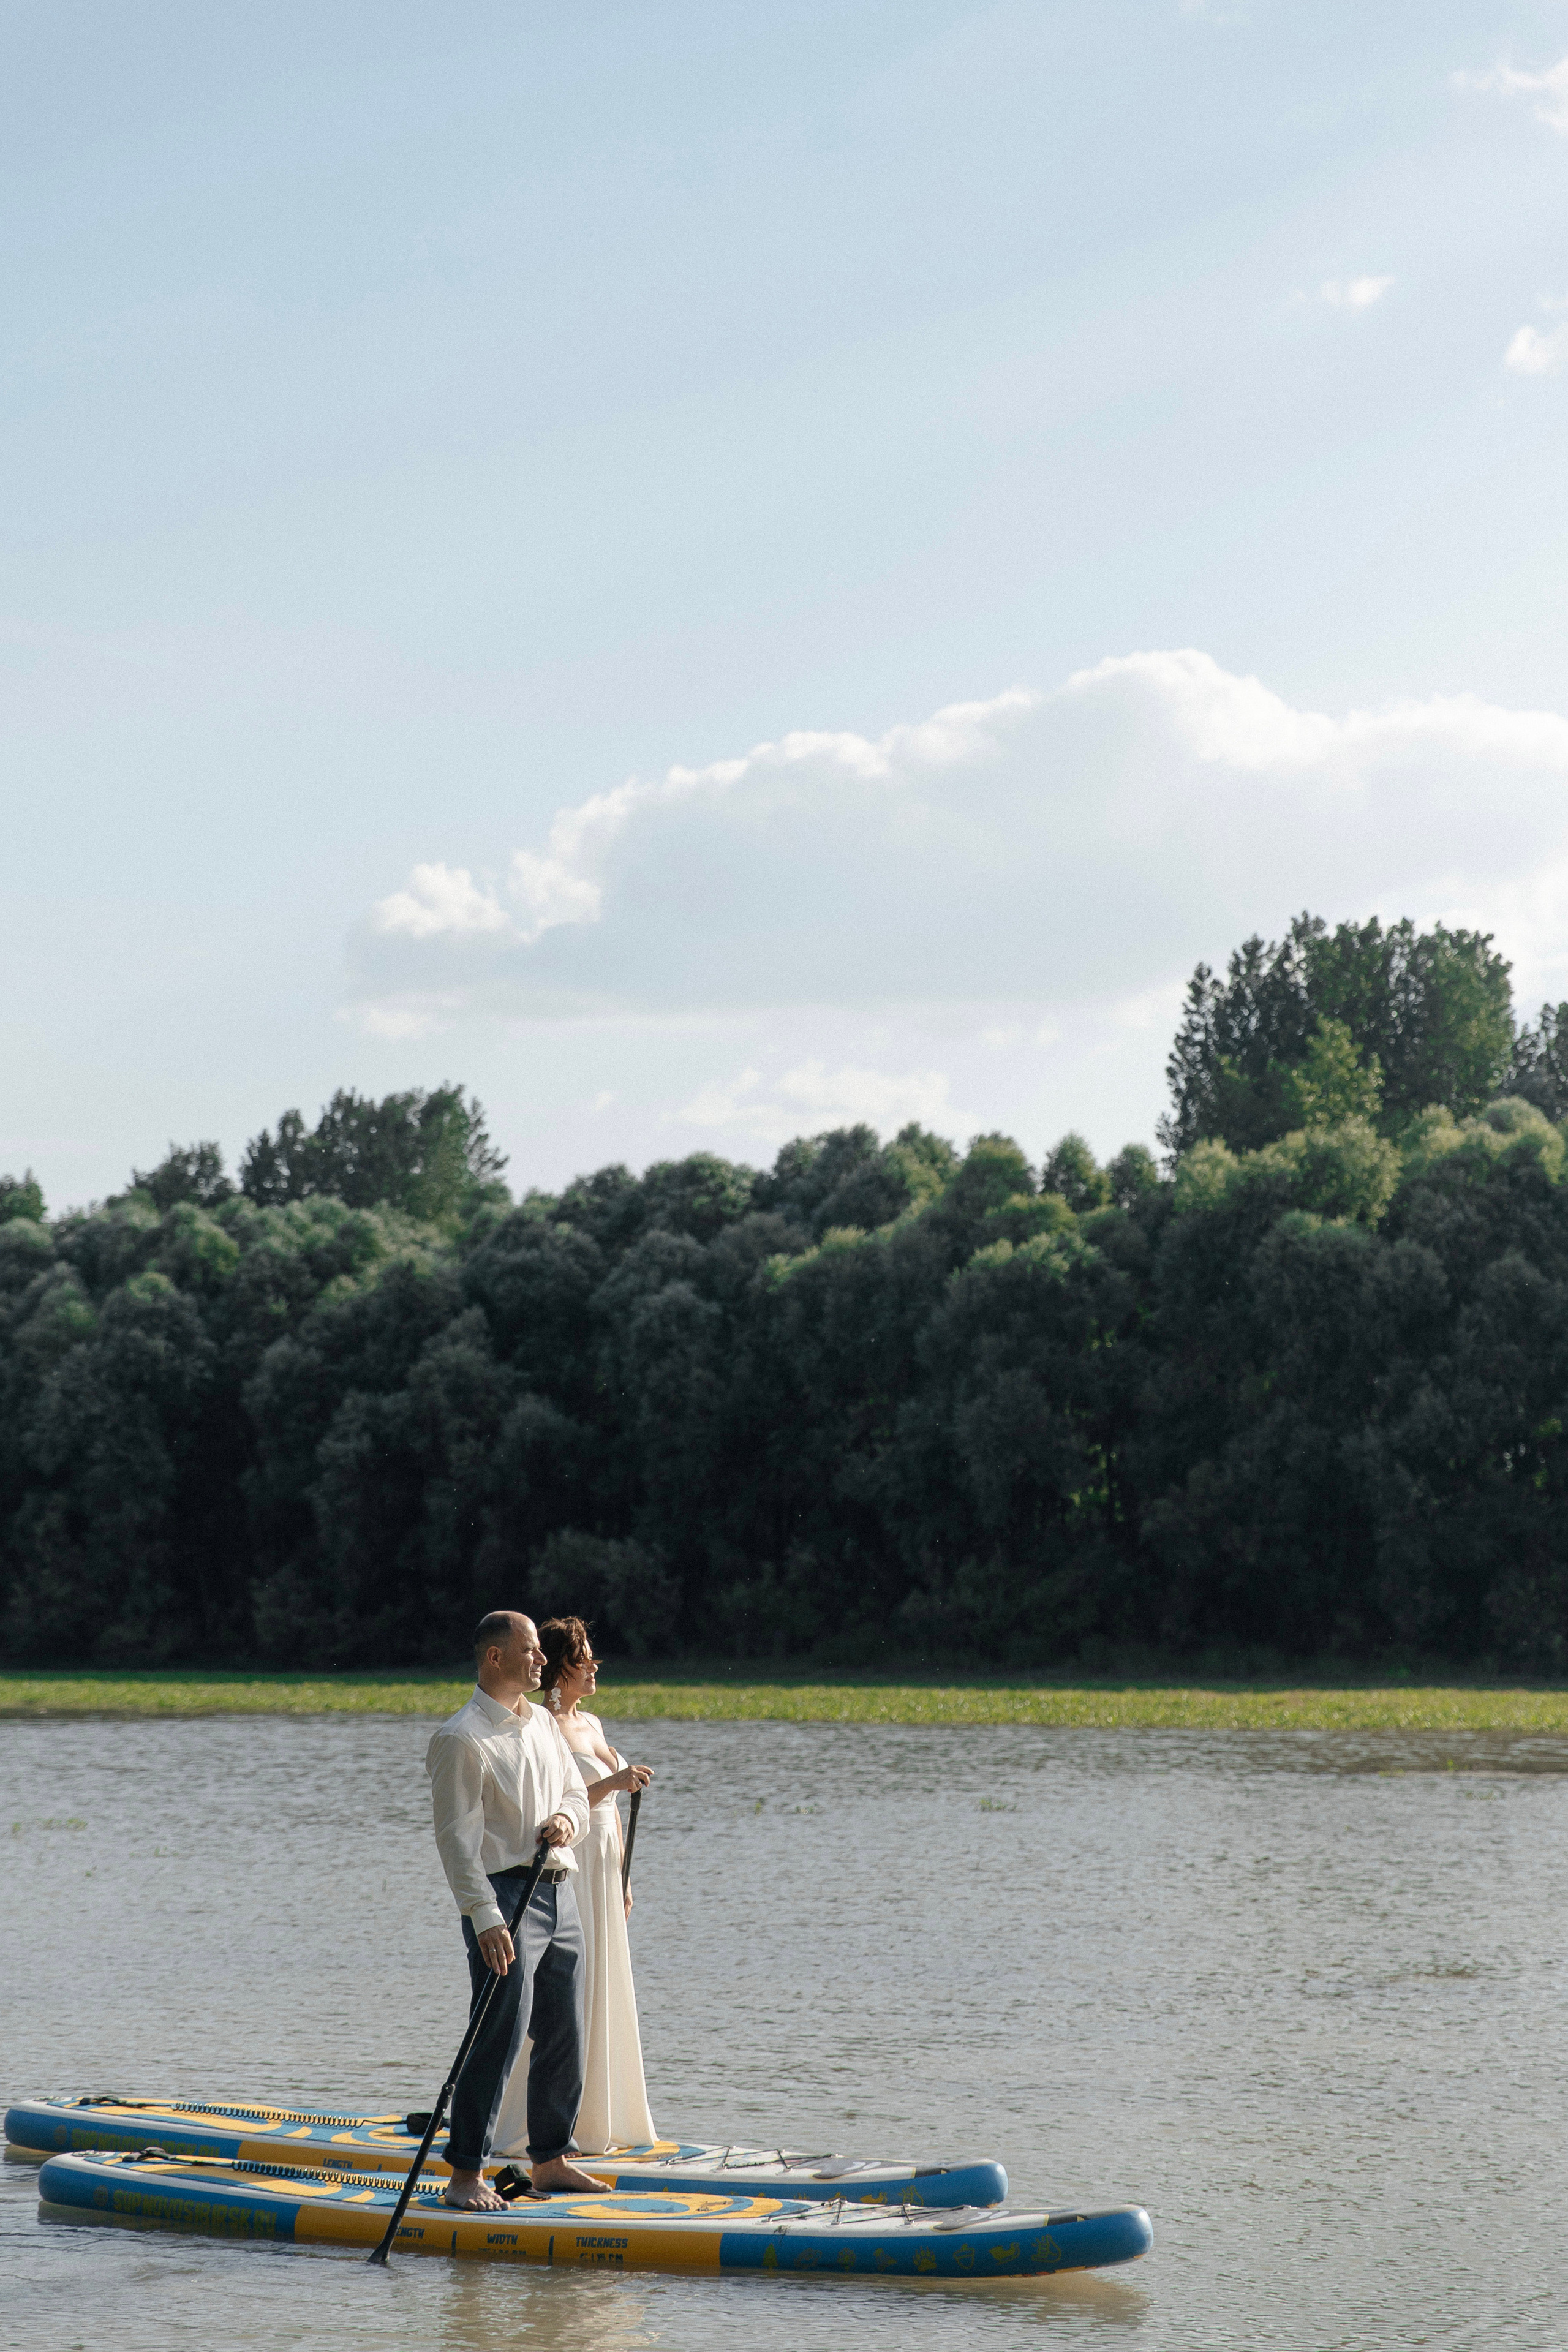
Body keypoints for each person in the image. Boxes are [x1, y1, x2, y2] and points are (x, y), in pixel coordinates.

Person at [425, 1608, 603, 2211]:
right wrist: (484, 1915)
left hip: (559, 1888)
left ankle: (551, 2160)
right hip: (504, 1897)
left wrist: (566, 1820)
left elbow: (575, 1792)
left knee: (564, 2031)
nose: (540, 1660)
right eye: (529, 1650)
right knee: (497, 2032)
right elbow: (455, 1839)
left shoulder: (544, 1726)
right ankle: (465, 2174)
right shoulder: (460, 1736)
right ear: (494, 1657)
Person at [492, 1616, 657, 2155]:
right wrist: (615, 1781)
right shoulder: (545, 1724)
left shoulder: (593, 1722)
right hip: (575, 1856)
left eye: (592, 1656)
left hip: (607, 1862)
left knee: (607, 1979)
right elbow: (564, 1795)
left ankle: (603, 2117)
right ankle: (530, 2122)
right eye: (582, 1656)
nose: (593, 1665)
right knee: (570, 1992)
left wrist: (626, 1879)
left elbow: (609, 1803)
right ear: (558, 1667)